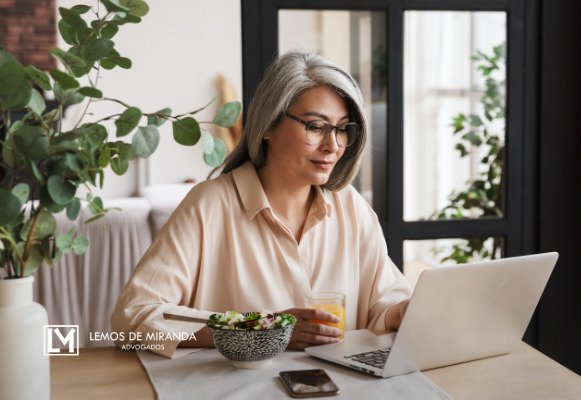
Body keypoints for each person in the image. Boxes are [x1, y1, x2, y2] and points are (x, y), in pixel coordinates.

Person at [110, 52, 412, 358]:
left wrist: (401, 312)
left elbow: (384, 304)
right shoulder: (209, 205)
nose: (333, 146)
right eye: (315, 126)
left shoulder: (351, 207)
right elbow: (132, 318)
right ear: (269, 124)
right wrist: (260, 330)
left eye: (343, 128)